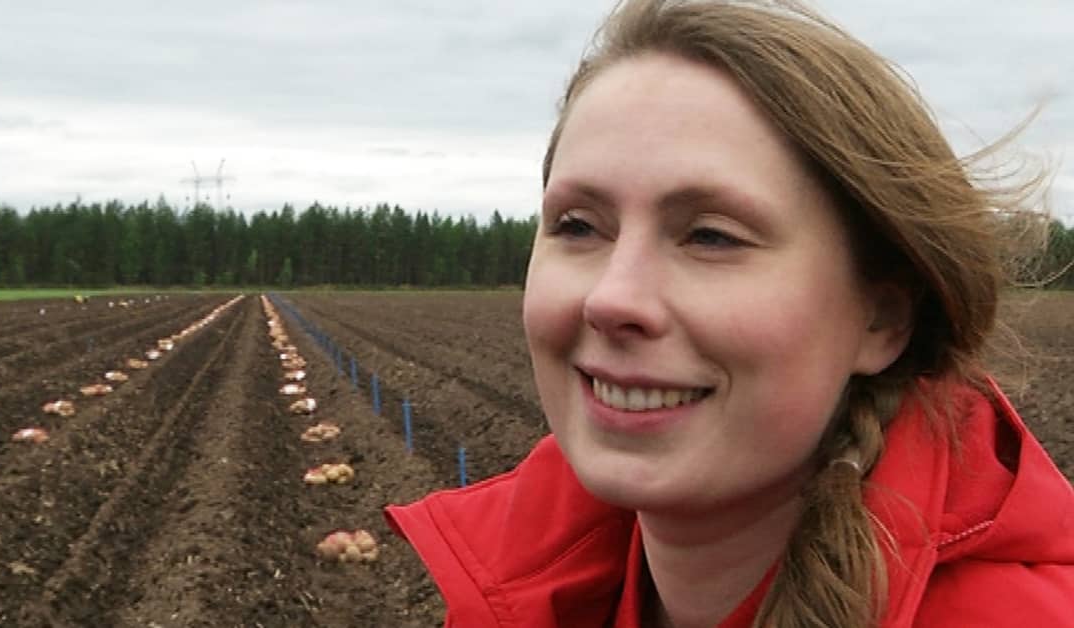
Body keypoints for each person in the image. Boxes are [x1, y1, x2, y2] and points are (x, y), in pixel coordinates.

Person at [385, 0, 1074, 625]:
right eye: (578, 225)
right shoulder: (517, 589)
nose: (612, 298)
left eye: (711, 236)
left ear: (881, 320)